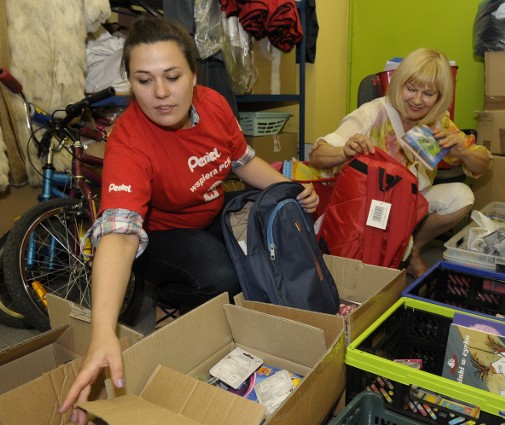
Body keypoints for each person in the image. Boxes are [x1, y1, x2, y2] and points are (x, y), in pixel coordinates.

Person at [60, 16, 318, 424]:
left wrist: (291, 190)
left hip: (211, 213)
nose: (161, 93)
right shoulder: (129, 141)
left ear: (194, 75)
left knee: (273, 237)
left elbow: (245, 162)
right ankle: (172, 302)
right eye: (144, 80)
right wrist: (102, 331)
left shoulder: (214, 104)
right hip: (162, 236)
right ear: (130, 82)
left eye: (173, 76)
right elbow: (120, 233)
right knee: (222, 275)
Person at [309, 48, 492, 277]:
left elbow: (483, 164)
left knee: (462, 196)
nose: (417, 100)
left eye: (428, 93)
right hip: (369, 205)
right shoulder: (373, 113)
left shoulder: (437, 120)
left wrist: (464, 153)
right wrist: (345, 151)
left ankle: (414, 249)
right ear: (398, 84)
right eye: (411, 89)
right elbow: (317, 155)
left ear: (439, 96)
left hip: (411, 200)